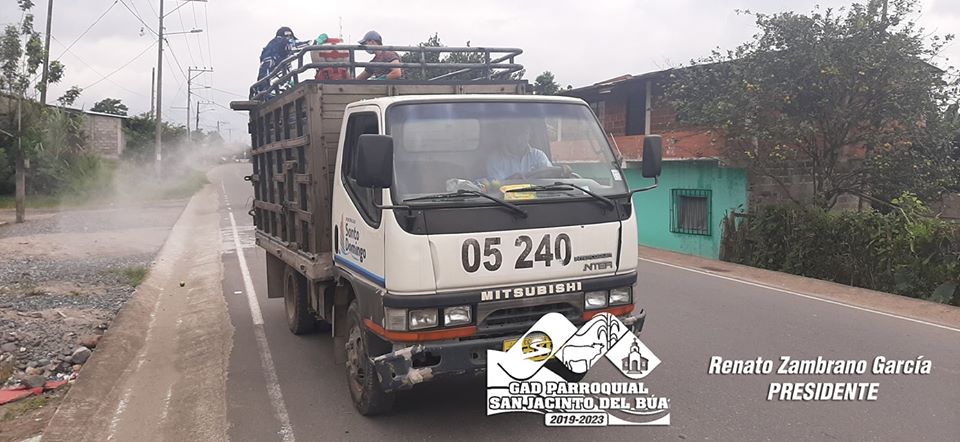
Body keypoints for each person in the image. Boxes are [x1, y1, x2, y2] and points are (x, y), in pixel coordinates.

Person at [484, 121, 553, 181]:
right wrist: (511, 180)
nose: (519, 139)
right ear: (507, 136)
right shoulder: (495, 158)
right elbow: (495, 186)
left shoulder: (538, 156)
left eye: (524, 133)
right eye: (515, 133)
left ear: (529, 135)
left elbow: (550, 176)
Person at [251, 27, 299, 98]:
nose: (289, 38)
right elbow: (263, 73)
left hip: (282, 87)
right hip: (273, 90)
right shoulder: (272, 52)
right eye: (286, 36)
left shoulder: (285, 55)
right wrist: (264, 90)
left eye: (290, 36)